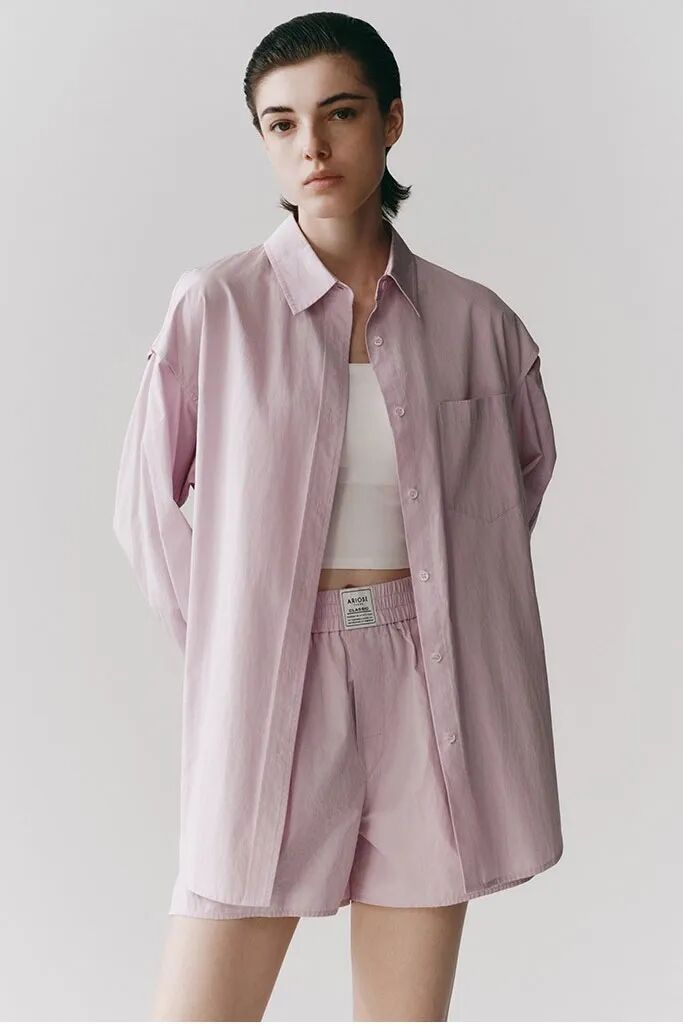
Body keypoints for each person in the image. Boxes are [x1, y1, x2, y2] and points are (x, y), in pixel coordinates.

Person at [113, 11, 563, 1022]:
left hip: (427, 681)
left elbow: (517, 482)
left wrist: (443, 594)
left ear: (390, 121)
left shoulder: (477, 323)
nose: (309, 145)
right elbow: (146, 509)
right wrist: (232, 637)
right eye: (279, 123)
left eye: (339, 113)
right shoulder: (215, 308)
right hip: (274, 679)